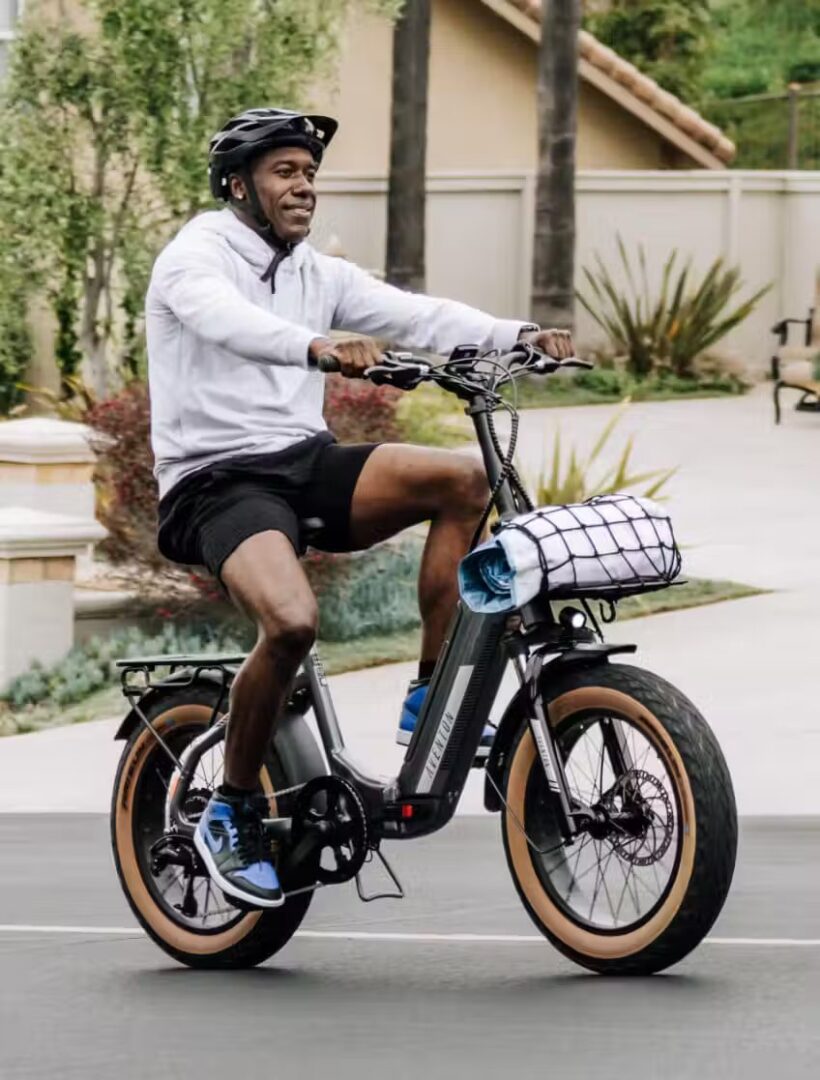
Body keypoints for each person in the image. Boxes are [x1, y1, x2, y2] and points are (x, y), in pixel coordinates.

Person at [146, 107, 575, 908]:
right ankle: (232, 808)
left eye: (309, 173)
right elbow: (226, 322)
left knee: (463, 483)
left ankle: (427, 694)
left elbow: (416, 314)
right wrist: (314, 346)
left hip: (301, 461)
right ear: (238, 185)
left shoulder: (316, 271)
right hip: (216, 480)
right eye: (284, 171)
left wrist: (518, 334)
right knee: (292, 621)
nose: (303, 185)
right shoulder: (194, 256)